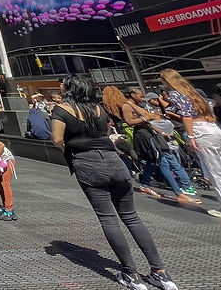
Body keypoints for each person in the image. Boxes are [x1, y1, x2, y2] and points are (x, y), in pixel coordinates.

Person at [51, 75, 178, 290]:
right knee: (132, 217)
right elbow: (108, 130)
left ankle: (131, 274)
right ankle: (161, 273)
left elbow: (56, 138)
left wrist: (71, 150)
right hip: (114, 162)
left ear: (69, 89)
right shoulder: (99, 109)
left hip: (88, 164)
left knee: (108, 219)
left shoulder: (62, 110)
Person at [160, 68, 221, 221]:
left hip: (201, 132)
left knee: (216, 173)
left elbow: (187, 115)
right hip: (215, 130)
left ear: (167, 81)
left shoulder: (175, 94)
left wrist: (191, 137)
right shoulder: (194, 93)